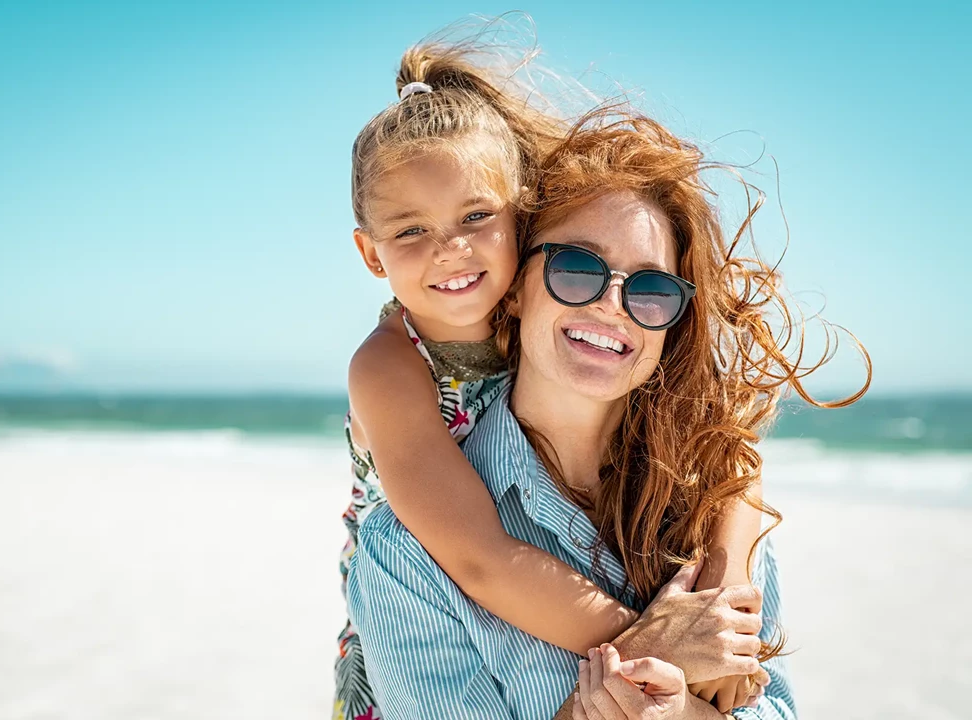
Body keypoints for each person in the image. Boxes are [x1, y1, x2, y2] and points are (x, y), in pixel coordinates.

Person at [348, 104, 868, 718]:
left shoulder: (711, 507)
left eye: (651, 289)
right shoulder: (407, 549)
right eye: (576, 268)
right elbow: (478, 558)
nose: (612, 305)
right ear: (518, 284)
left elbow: (765, 706)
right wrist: (655, 651)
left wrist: (711, 619)